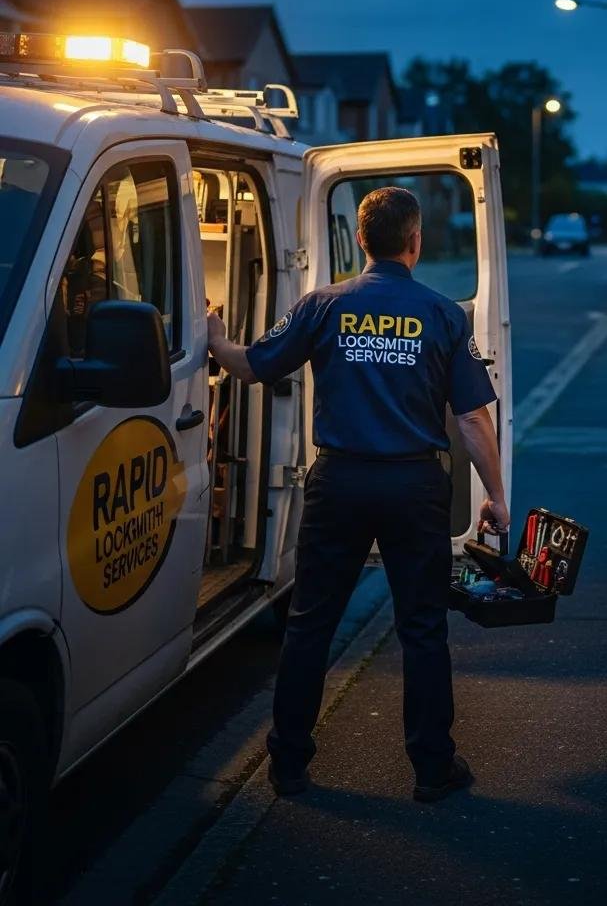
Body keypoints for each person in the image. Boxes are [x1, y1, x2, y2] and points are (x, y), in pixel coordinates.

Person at [206, 186, 510, 802]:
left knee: (311, 624)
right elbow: (475, 419)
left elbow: (254, 366)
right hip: (414, 486)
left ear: (363, 241)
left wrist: (213, 339)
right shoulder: (444, 314)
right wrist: (495, 496)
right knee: (422, 628)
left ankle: (287, 765)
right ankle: (431, 769)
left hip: (339, 482)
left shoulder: (322, 304)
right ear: (415, 242)